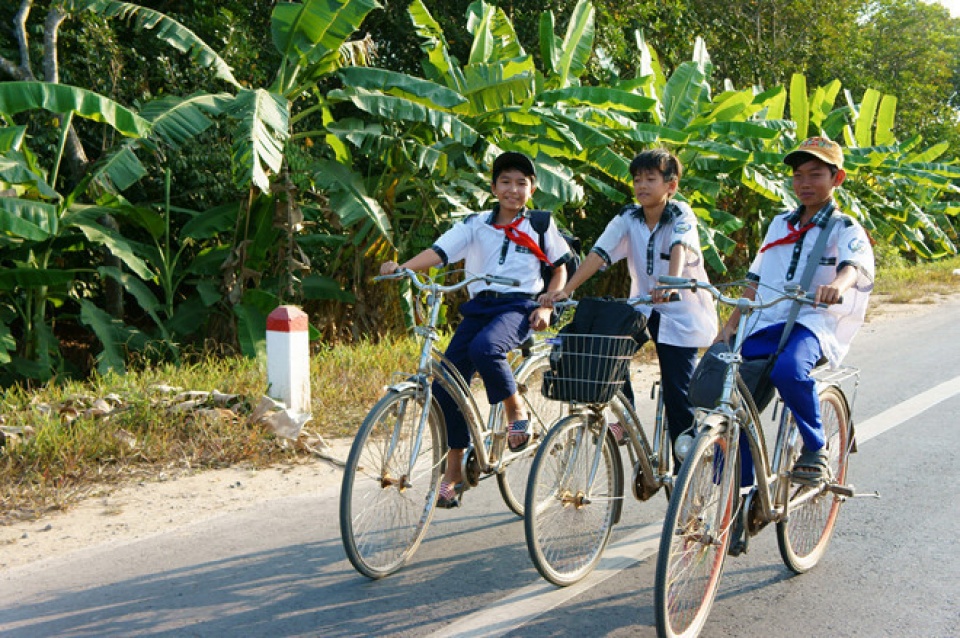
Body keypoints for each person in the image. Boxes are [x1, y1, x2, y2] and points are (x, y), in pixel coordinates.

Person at [379, 151, 572, 508]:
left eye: (521, 183)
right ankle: (454, 469)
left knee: (486, 349)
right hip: (479, 306)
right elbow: (440, 252)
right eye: (506, 182)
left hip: (519, 306)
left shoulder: (541, 224)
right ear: (493, 186)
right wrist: (403, 267)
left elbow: (559, 267)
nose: (513, 190)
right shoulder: (474, 224)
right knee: (445, 386)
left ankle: (516, 412)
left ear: (532, 189)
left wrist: (548, 303)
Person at [716, 136, 874, 490]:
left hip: (814, 321)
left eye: (815, 174)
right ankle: (739, 490)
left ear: (838, 178)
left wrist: (839, 285)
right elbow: (756, 278)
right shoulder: (778, 224)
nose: (804, 183)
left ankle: (815, 448)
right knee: (730, 389)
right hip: (770, 317)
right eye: (798, 175)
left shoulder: (844, 226)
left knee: (789, 370)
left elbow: (855, 265)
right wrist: (729, 326)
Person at [541, 148, 717, 460]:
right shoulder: (628, 217)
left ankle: (685, 471)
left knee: (678, 396)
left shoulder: (680, 214)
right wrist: (567, 289)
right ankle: (627, 419)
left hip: (681, 313)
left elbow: (680, 246)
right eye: (637, 180)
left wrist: (670, 283)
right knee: (606, 345)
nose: (642, 186)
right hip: (643, 306)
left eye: (651, 179)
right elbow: (599, 253)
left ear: (670, 186)